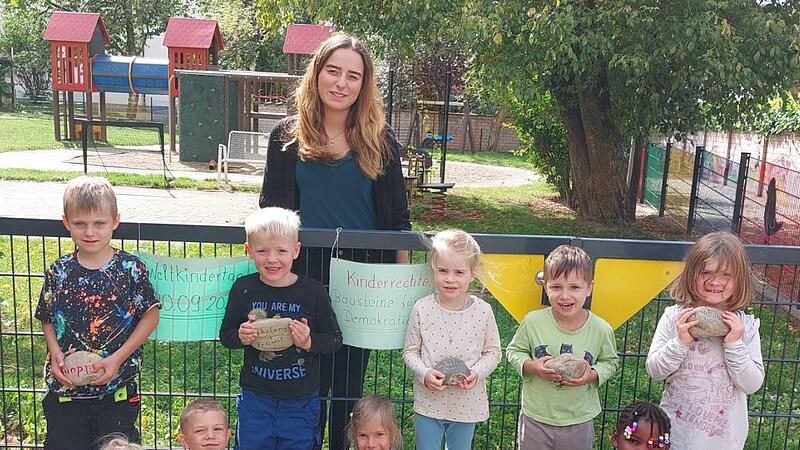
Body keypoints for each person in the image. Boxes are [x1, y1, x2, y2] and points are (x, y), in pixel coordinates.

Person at [259, 33, 410, 450]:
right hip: (303, 276)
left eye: (353, 76)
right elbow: (270, 214)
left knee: (345, 385)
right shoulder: (285, 138)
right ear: (317, 74)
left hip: (363, 279)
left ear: (364, 85)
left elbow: (398, 221)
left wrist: (397, 290)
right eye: (333, 71)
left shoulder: (382, 140)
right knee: (304, 384)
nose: (341, 83)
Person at [35, 176, 160, 450]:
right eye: (80, 223)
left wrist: (117, 359)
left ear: (115, 221)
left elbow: (150, 316)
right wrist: (55, 351)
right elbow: (46, 316)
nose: (90, 231)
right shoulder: (60, 271)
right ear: (67, 223)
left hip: (116, 392)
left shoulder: (130, 269)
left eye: (99, 223)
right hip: (65, 394)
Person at [219, 207, 343, 449]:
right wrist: (240, 336)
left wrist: (308, 342)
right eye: (262, 251)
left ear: (295, 251)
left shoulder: (313, 292)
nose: (272, 259)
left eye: (281, 251)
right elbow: (226, 335)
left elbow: (334, 339)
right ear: (249, 251)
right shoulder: (244, 289)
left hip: (301, 400)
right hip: (256, 397)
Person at [646, 231, 763, 449]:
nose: (714, 281)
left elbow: (752, 384)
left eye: (726, 274)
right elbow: (655, 370)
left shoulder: (744, 327)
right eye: (706, 272)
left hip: (723, 440)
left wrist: (734, 344)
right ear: (691, 274)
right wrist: (679, 343)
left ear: (740, 279)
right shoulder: (675, 317)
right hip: (676, 434)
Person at [506, 245, 619, 450]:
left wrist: (592, 374)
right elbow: (514, 351)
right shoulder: (533, 322)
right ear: (545, 286)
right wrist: (532, 367)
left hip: (578, 420)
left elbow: (610, 361)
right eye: (556, 287)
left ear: (589, 288)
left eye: (574, 287)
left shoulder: (601, 329)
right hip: (536, 417)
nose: (565, 296)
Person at [402, 229, 502, 450]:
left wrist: (476, 373)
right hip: (429, 402)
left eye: (459, 272)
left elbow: (493, 352)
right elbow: (410, 351)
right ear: (433, 269)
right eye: (443, 270)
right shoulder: (422, 308)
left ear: (472, 274)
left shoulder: (483, 312)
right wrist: (424, 373)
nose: (450, 279)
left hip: (467, 403)